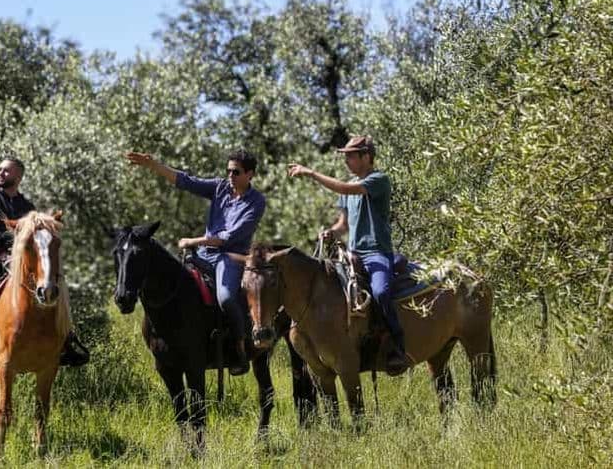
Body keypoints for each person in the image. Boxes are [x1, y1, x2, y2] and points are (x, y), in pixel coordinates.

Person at [126, 149, 266, 376]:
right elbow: (186, 181)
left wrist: (194, 240)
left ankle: (239, 349)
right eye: (228, 170)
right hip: (203, 254)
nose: (230, 175)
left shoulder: (256, 202)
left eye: (236, 172)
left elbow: (229, 237)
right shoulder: (221, 187)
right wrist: (154, 165)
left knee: (227, 297)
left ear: (249, 174)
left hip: (229, 257)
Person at [287, 135, 410, 376]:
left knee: (381, 292)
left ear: (367, 156)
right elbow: (343, 224)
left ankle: (397, 345)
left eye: (351, 156)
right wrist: (330, 232)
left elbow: (346, 188)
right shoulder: (350, 186)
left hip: (376, 253)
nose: (346, 161)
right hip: (352, 254)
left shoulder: (378, 180)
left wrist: (311, 173)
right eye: (345, 156)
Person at [0, 157, 90, 367]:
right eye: (0, 170)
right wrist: (2, 253)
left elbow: (36, 236)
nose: (0, 173)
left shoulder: (26, 205)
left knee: (54, 284)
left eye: (6, 171)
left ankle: (66, 340)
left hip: (22, 257)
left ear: (18, 177)